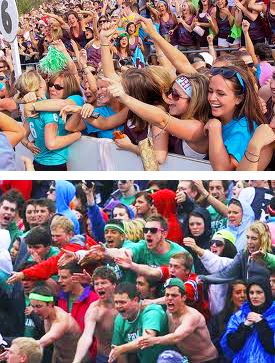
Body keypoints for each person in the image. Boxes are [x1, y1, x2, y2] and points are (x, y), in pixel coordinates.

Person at [139, 278, 218, 363]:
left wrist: (153, 340)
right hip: (187, 360)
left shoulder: (192, 316)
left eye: (174, 295)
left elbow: (176, 337)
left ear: (184, 297)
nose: (169, 298)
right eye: (167, 295)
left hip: (208, 360)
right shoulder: (168, 313)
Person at [205, 65, 267, 170]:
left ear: (238, 99)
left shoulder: (244, 127)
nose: (212, 98)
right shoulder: (218, 117)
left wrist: (214, 128)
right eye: (210, 91)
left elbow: (223, 170)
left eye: (221, 94)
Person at [199, 221, 273, 285]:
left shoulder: (272, 252)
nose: (249, 242)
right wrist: (204, 278)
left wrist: (265, 257)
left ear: (263, 239)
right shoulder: (243, 254)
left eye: (254, 238)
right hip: (250, 298)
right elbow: (226, 275)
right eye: (247, 237)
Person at [110, 283, 170, 363]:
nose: (118, 306)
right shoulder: (120, 319)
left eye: (122, 302)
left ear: (135, 300)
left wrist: (122, 349)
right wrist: (120, 350)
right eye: (116, 302)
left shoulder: (152, 311)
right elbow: (118, 351)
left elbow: (146, 340)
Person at [220, 277, 275, 362]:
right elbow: (232, 346)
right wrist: (245, 326)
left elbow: (271, 347)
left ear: (267, 293)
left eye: (259, 292)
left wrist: (261, 322)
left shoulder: (273, 315)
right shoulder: (239, 316)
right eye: (251, 293)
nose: (254, 296)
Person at [184, 229, 237, 315]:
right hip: (211, 317)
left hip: (229, 315)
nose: (214, 245)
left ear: (228, 246)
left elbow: (216, 263)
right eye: (212, 242)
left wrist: (196, 248)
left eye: (219, 243)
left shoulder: (232, 263)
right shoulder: (206, 265)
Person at [72, 266, 118, 363]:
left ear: (114, 284)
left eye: (104, 283)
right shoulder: (94, 310)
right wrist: (76, 361)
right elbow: (86, 336)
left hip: (128, 356)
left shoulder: (125, 303)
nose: (100, 287)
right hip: (105, 359)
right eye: (97, 284)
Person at [57, 261, 98, 362]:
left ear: (75, 278)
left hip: (87, 358)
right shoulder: (61, 299)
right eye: (59, 277)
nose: (59, 281)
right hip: (65, 356)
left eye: (64, 277)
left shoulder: (93, 299)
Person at [29, 285, 82, 363]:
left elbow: (41, 343)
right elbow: (56, 346)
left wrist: (17, 348)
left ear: (50, 304)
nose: (35, 311)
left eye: (38, 306)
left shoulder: (61, 320)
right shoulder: (46, 315)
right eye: (33, 306)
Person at [208, 280, 247, 359]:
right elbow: (211, 341)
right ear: (231, 296)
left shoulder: (252, 316)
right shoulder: (218, 319)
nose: (243, 295)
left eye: (245, 292)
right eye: (238, 292)